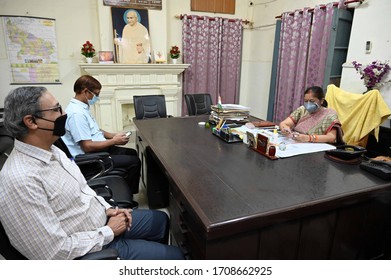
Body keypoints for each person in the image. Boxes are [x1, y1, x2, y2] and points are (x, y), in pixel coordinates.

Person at [0, 86, 184, 260]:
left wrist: (109, 209)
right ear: (31, 121)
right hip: (90, 249)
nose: (64, 114)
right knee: (175, 257)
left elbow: (83, 190)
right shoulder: (20, 180)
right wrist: (109, 232)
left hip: (102, 220)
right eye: (56, 109)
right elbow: (52, 253)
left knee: (160, 220)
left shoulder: (52, 150)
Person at [62, 75, 140, 197]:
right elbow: (87, 146)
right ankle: (127, 197)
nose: (97, 98)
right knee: (134, 161)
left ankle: (126, 190)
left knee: (131, 153)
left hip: (99, 148)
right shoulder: (76, 114)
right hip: (91, 157)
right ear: (86, 91)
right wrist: (113, 141)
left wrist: (114, 135)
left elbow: (95, 130)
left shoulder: (81, 107)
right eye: (96, 94)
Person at [279, 86, 344, 144]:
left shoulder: (330, 114)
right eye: (306, 101)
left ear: (321, 101)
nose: (308, 104)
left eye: (312, 101)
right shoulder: (302, 109)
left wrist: (308, 138)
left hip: (316, 146)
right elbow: (284, 123)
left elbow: (331, 138)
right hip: (297, 142)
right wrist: (285, 128)